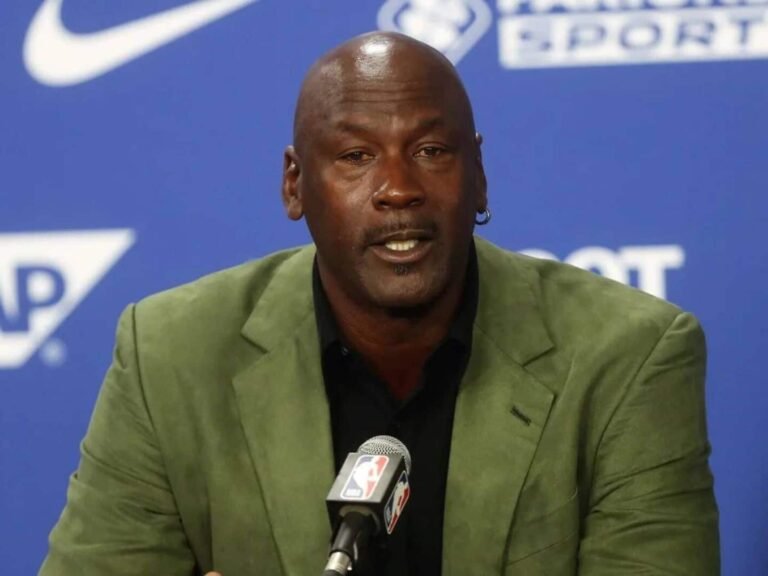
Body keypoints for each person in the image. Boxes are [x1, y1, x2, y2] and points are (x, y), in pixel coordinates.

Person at [39, 32, 719, 576]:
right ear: (295, 184)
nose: (398, 188)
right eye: (356, 156)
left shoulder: (627, 356)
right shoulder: (170, 354)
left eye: (430, 150)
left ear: (479, 175)